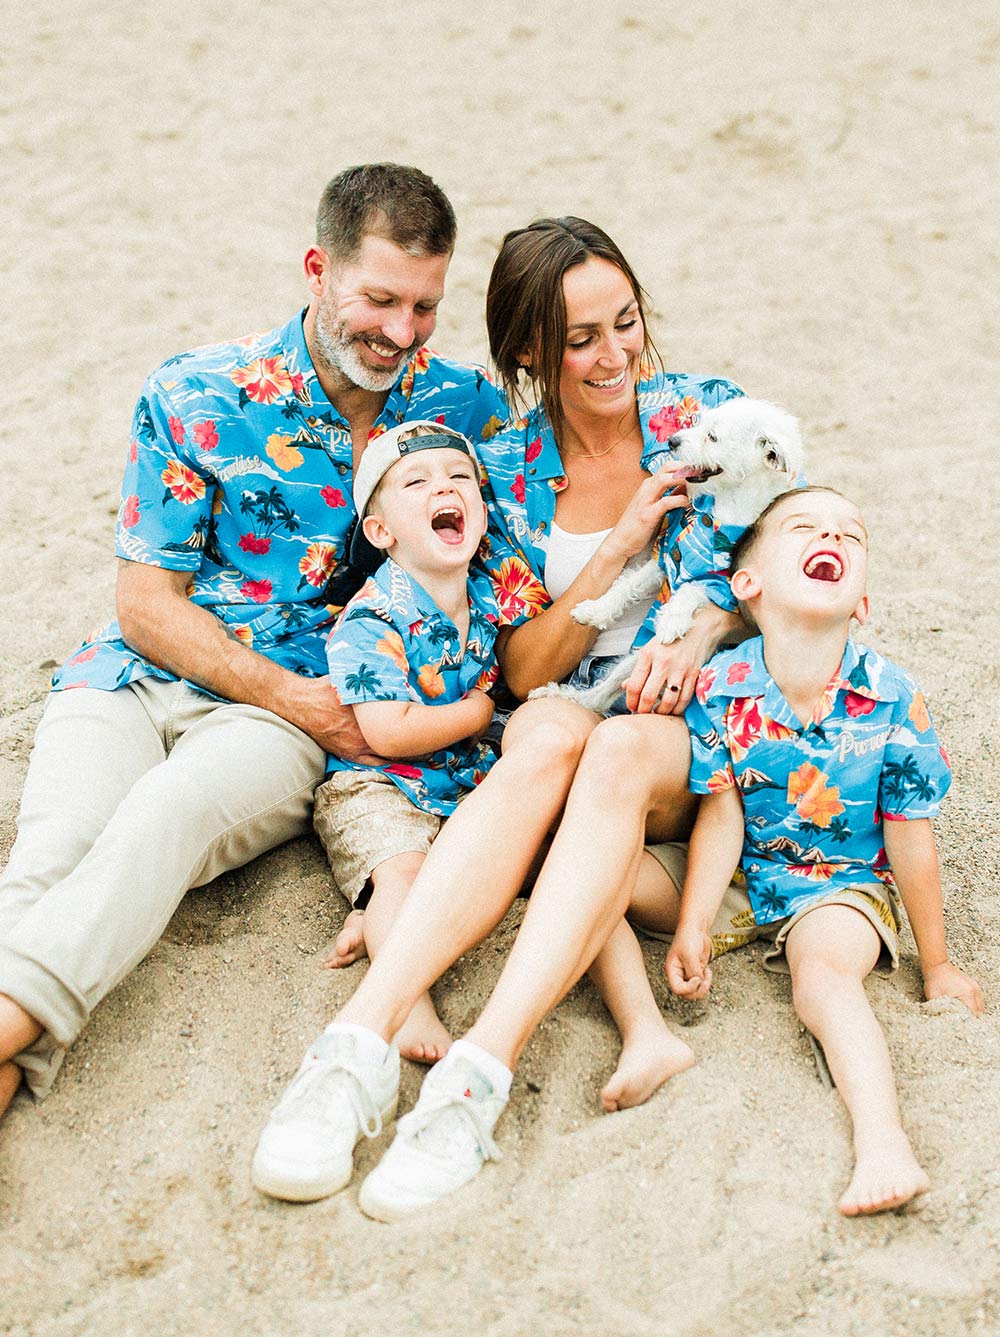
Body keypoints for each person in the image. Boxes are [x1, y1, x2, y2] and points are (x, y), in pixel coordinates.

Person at [247, 217, 752, 1221]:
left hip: (694, 730)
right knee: (551, 727)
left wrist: (704, 624)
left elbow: (791, 551)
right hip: (573, 715)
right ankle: (355, 1047)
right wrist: (613, 555)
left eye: (625, 323)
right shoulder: (510, 465)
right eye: (580, 339)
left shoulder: (708, 418)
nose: (613, 355)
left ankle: (480, 1069)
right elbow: (524, 665)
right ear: (527, 350)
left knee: (607, 745)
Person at [0, 163, 507, 1119]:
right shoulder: (196, 389)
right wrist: (293, 696)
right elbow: (145, 602)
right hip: (140, 674)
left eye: (425, 307)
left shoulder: (466, 413)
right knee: (52, 849)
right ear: (318, 270)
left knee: (165, 819)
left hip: (281, 721)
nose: (402, 332)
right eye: (379, 300)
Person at [666, 485, 984, 1216]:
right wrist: (692, 924)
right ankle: (640, 1038)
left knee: (822, 978)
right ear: (748, 585)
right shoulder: (720, 686)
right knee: (609, 882)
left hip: (842, 884)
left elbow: (909, 833)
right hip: (745, 871)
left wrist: (937, 964)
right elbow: (721, 815)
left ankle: (883, 1142)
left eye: (852, 535)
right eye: (806, 528)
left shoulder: (893, 695)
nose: (833, 538)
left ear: (861, 602)